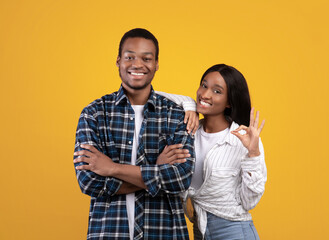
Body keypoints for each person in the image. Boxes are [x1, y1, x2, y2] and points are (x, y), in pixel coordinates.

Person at [73, 28, 195, 240]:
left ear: (156, 64)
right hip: (109, 233)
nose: (138, 64)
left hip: (165, 233)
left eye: (146, 58)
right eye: (130, 57)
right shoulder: (93, 114)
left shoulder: (176, 115)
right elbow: (88, 181)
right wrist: (157, 171)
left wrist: (112, 168)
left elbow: (181, 178)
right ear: (119, 61)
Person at [157, 64, 267, 240]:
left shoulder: (244, 139)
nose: (205, 94)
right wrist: (188, 104)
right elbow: (150, 94)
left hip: (234, 231)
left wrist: (253, 154)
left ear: (229, 101)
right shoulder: (189, 132)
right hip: (200, 230)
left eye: (217, 91)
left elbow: (249, 202)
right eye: (204, 85)